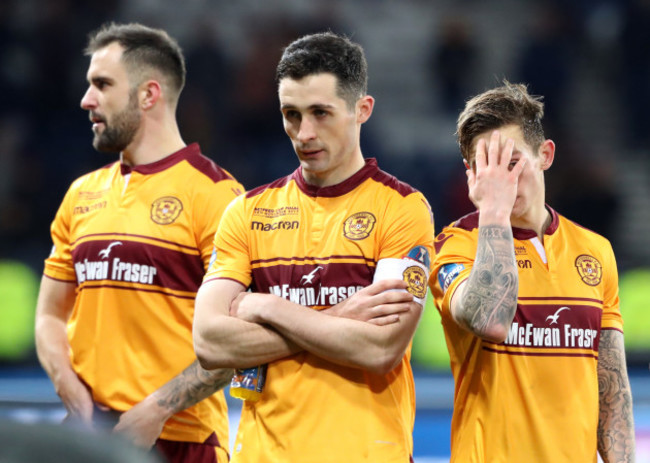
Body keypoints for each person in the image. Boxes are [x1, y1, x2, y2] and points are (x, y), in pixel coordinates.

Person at [193, 32, 434, 462]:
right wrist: (341, 317)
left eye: (321, 113)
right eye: (291, 114)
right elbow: (211, 343)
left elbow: (379, 349)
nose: (303, 133)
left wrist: (267, 307)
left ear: (363, 110)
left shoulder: (403, 209)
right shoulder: (246, 212)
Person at [34, 22, 244, 463]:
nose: (86, 100)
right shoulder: (80, 194)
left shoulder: (219, 196)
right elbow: (51, 315)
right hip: (87, 438)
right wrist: (72, 395)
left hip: (182, 441)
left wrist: (155, 411)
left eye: (102, 85)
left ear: (149, 95)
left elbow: (237, 341)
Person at [429, 81, 635, 462]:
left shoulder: (595, 250)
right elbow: (489, 320)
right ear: (470, 175)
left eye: (511, 163)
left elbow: (612, 389)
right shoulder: (454, 245)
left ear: (545, 154)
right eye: (485, 167)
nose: (502, 181)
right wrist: (493, 211)